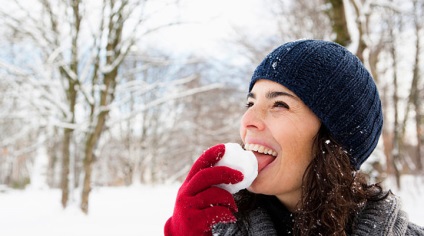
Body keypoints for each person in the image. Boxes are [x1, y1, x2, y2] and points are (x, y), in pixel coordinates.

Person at [164, 39, 424, 235]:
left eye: (279, 104)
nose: (247, 121)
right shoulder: (218, 228)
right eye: (250, 103)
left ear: (333, 138)